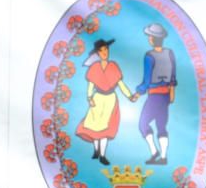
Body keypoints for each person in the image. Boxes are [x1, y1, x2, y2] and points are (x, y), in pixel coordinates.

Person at [74, 38, 137, 166]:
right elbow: (90, 85)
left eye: (106, 49)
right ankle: (96, 150)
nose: (104, 52)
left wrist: (130, 96)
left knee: (105, 127)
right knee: (94, 125)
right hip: (97, 98)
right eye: (101, 50)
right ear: (97, 53)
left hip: (110, 99)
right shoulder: (94, 68)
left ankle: (102, 155)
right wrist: (89, 98)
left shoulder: (113, 66)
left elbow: (121, 84)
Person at [134, 23, 177, 165]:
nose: (149, 39)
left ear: (152, 39)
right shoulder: (170, 53)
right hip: (165, 96)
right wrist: (172, 93)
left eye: (150, 36)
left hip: (154, 97)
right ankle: (163, 157)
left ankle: (154, 151)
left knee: (143, 124)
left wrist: (138, 93)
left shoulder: (149, 56)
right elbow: (173, 77)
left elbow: (146, 81)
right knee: (162, 126)